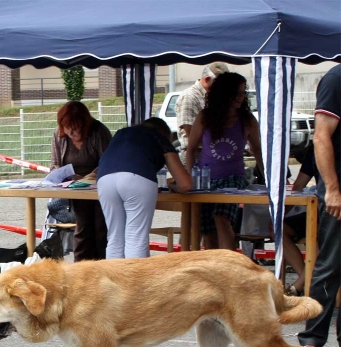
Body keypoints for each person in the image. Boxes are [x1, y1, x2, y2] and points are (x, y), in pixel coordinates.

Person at [186, 72, 264, 251]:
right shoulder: (205, 116)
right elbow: (190, 149)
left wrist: (267, 177)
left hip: (233, 178)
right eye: (236, 93)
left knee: (222, 219)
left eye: (243, 93)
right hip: (206, 180)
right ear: (224, 93)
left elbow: (257, 150)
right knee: (209, 232)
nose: (241, 97)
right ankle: (215, 271)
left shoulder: (247, 120)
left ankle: (229, 265)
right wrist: (191, 178)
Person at [97, 117, 192, 259]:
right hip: (137, 177)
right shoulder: (160, 138)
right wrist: (174, 186)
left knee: (115, 238)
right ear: (165, 133)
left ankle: (114, 280)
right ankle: (136, 281)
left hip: (104, 179)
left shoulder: (122, 133)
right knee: (136, 237)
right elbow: (185, 184)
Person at [297, 64, 341, 347]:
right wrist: (332, 189)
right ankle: (311, 340)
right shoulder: (336, 79)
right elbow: (321, 137)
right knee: (331, 264)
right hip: (340, 188)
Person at [51, 101, 112, 261]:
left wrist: (91, 175)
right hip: (74, 189)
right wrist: (61, 174)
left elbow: (109, 161)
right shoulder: (59, 135)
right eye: (68, 128)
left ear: (85, 123)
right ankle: (80, 269)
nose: (72, 133)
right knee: (82, 228)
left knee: (101, 229)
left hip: (100, 188)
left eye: (76, 128)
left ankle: (103, 266)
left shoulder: (99, 132)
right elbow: (55, 163)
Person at [175, 62, 230, 166]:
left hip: (212, 155)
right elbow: (190, 132)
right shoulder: (189, 97)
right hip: (195, 157)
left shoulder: (213, 97)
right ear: (207, 79)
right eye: (219, 84)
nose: (222, 89)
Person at [283, 145, 319, 296]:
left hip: (328, 212)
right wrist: (281, 214)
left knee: (317, 235)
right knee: (278, 227)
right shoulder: (315, 147)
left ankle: (299, 286)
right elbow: (298, 185)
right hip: (320, 209)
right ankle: (306, 280)